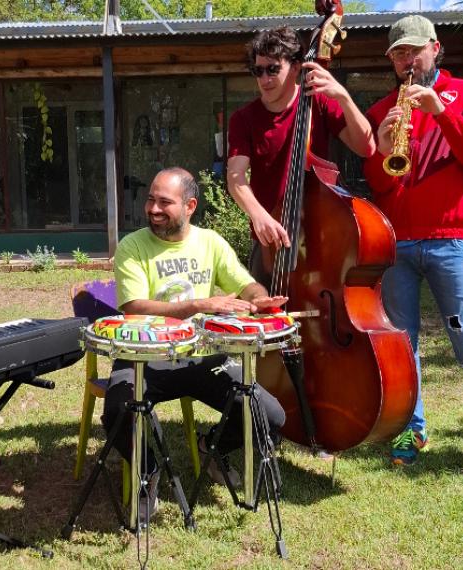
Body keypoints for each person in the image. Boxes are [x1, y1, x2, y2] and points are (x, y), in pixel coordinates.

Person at [363, 15, 463, 477]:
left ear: (435, 48)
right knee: (403, 346)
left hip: (451, 243)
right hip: (400, 246)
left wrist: (440, 112)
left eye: (414, 50)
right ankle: (413, 427)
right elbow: (379, 186)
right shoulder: (382, 109)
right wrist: (383, 145)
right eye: (398, 54)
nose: (408, 60)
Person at [105, 167, 288, 520]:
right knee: (118, 410)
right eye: (150, 200)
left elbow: (247, 285)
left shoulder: (210, 243)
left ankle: (211, 448)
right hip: (145, 355)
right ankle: (148, 472)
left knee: (269, 415)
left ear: (190, 205)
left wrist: (261, 299)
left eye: (164, 202)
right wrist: (199, 305)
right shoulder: (132, 246)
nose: (153, 209)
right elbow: (134, 309)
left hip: (201, 356)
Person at [226, 25, 376, 283]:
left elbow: (366, 147)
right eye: (258, 71)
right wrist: (259, 215)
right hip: (269, 244)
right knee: (267, 319)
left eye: (273, 69)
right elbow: (236, 177)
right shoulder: (243, 119)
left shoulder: (318, 102)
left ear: (296, 67)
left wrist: (342, 97)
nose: (264, 79)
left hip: (321, 240)